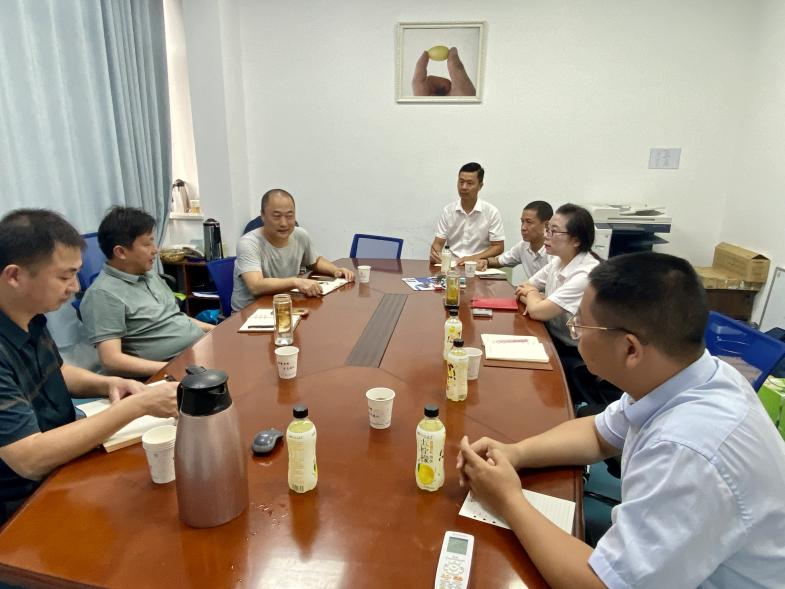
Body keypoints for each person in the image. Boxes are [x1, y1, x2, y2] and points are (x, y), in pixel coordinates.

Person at [458, 252, 785, 588]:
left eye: (581, 324)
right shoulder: (688, 375)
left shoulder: (687, 451)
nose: (575, 332)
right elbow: (599, 433)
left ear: (631, 349)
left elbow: (600, 584)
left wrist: (508, 500)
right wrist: (516, 453)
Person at [0, 209, 178, 524]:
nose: (73, 287)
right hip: (24, 498)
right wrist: (138, 405)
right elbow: (28, 459)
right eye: (64, 276)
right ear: (14, 276)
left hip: (67, 450)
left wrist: (108, 383)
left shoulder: (31, 315)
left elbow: (57, 371)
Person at [80, 207, 213, 378]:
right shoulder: (102, 294)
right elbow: (111, 361)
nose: (155, 250)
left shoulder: (147, 274)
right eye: (147, 244)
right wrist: (173, 368)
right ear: (121, 252)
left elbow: (175, 317)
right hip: (168, 370)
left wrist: (215, 330)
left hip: (196, 353)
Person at [231, 189, 355, 312]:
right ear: (262, 215)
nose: (284, 223)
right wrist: (296, 282)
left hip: (283, 306)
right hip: (250, 313)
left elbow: (314, 261)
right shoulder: (248, 243)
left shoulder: (300, 235)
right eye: (277, 216)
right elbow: (255, 286)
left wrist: (336, 270)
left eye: (289, 216)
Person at [429, 163, 505, 265]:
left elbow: (498, 246)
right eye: (461, 182)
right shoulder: (448, 211)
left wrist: (472, 258)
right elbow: (438, 244)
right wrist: (436, 255)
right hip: (452, 266)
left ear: (480, 186)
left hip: (478, 265)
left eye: (469, 183)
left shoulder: (491, 212)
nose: (464, 187)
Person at [476, 200, 552, 280]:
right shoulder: (523, 246)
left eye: (529, 222)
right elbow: (500, 261)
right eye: (522, 222)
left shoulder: (555, 251)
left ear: (546, 225)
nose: (523, 227)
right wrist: (486, 262)